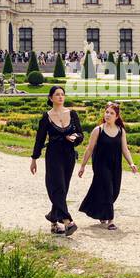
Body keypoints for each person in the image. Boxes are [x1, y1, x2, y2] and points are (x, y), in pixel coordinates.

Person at [30, 85, 83, 236]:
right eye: (57, 94)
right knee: (57, 186)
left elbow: (80, 134)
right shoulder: (45, 117)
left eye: (62, 94)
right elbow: (39, 139)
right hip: (53, 154)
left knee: (63, 188)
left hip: (69, 155)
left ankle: (53, 221)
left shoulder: (72, 114)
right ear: (50, 98)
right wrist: (34, 158)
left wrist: (75, 138)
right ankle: (67, 221)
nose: (60, 97)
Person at [78, 101, 138, 230]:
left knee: (114, 191)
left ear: (117, 116)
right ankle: (110, 220)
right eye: (107, 112)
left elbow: (125, 149)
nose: (108, 115)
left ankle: (102, 211)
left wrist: (131, 163)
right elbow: (89, 149)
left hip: (115, 165)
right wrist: (83, 166)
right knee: (108, 189)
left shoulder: (121, 131)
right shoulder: (98, 130)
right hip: (100, 165)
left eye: (111, 113)